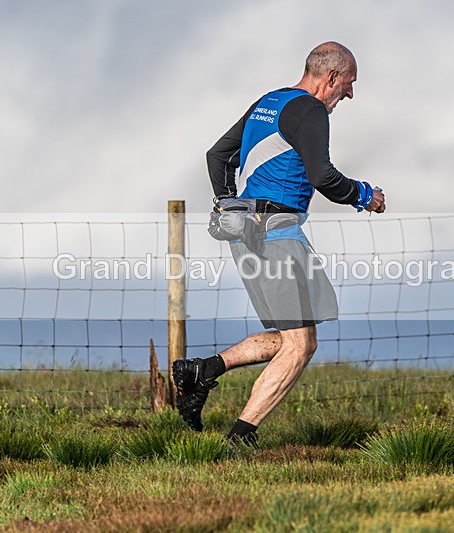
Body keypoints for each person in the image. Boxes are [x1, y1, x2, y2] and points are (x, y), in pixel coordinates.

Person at [173, 41, 386, 446]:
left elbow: (217, 155)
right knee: (301, 345)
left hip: (254, 234)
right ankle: (240, 437)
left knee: (294, 337)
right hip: (276, 236)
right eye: (350, 84)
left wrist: (229, 205)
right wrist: (364, 195)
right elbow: (322, 177)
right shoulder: (310, 110)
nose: (351, 94)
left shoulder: (268, 102)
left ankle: (203, 370)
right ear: (331, 77)